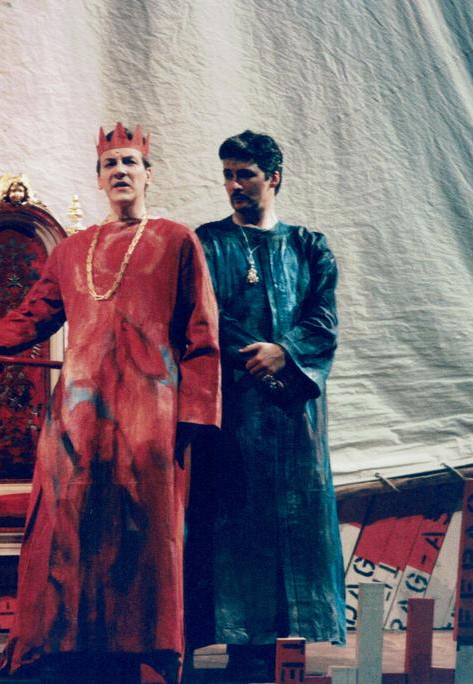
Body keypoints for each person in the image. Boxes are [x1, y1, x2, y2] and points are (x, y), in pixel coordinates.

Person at [0, 122, 221, 683]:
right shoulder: (72, 250)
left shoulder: (178, 240)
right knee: (68, 523)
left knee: (146, 530)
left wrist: (194, 416)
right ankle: (66, 648)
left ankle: (144, 653)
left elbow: (202, 333)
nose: (120, 171)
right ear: (98, 179)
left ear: (148, 174)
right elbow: (32, 317)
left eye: (130, 162)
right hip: (77, 413)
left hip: (151, 410)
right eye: (109, 164)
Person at [186, 130, 344, 681]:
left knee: (292, 523)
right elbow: (203, 314)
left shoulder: (309, 246)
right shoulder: (206, 244)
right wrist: (252, 354)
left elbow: (323, 320)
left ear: (273, 177)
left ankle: (281, 650)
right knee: (233, 525)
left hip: (292, 416)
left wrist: (284, 352)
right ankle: (236, 648)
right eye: (227, 175)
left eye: (245, 175)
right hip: (231, 414)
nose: (234, 185)